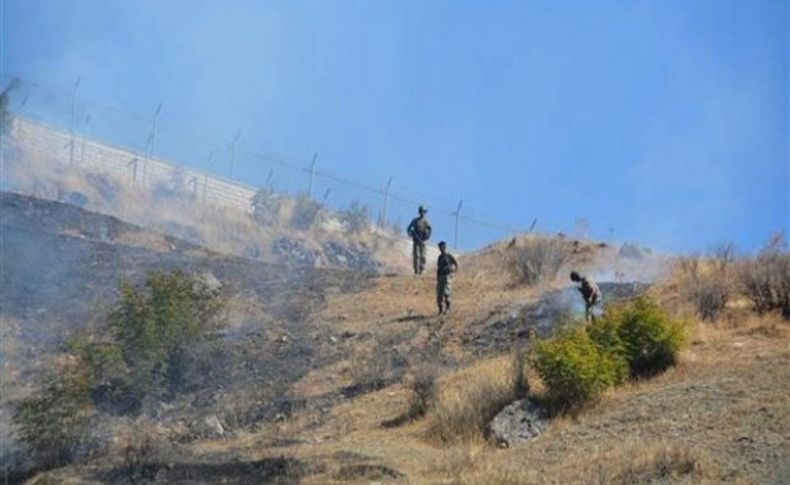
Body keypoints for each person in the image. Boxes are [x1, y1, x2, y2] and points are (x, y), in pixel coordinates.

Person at [406, 205, 432, 275]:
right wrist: (411, 234)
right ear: (419, 212)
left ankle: (421, 269)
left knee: (423, 255)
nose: (422, 213)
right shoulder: (415, 221)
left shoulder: (426, 222)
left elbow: (430, 230)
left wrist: (427, 236)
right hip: (416, 240)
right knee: (416, 255)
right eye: (421, 212)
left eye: (423, 212)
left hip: (422, 240)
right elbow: (408, 228)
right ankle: (416, 270)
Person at [436, 241, 458, 315]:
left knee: (446, 292)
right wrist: (438, 278)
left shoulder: (448, 256)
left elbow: (455, 264)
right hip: (440, 277)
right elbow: (438, 268)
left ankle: (448, 308)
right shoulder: (440, 257)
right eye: (440, 247)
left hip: (447, 276)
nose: (441, 249)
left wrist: (452, 271)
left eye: (442, 247)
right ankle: (440, 310)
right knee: (439, 294)